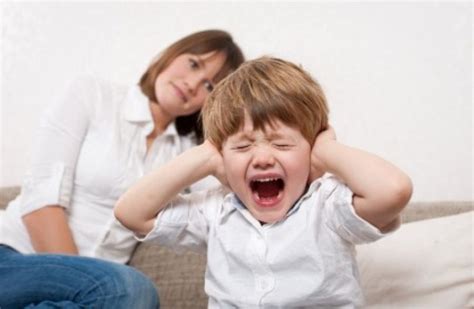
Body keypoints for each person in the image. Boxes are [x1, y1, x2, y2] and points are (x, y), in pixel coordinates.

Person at [115, 57, 413, 308]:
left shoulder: (328, 204)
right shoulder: (215, 211)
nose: (261, 158)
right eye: (242, 148)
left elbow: (393, 190)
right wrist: (204, 156)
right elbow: (131, 213)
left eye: (282, 145)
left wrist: (325, 151)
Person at [0, 29, 244, 308]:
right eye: (193, 64)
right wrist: (90, 281)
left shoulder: (189, 152)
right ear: (171, 54)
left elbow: (231, 204)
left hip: (91, 298)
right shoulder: (92, 95)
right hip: (12, 257)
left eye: (210, 86)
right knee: (133, 289)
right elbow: (40, 202)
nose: (192, 84)